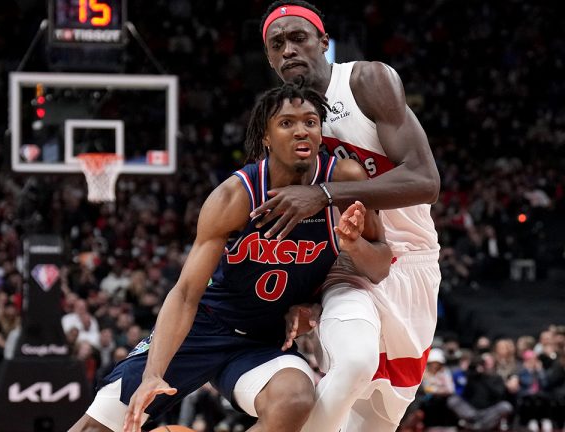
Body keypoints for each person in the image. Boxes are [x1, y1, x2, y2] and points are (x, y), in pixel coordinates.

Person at [69, 80, 392, 432]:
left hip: (263, 341)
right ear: (265, 137)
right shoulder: (237, 195)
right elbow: (186, 293)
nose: (301, 131)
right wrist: (153, 375)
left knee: (296, 401)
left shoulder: (343, 180)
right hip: (204, 328)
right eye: (287, 123)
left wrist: (353, 245)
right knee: (95, 427)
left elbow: (379, 266)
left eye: (310, 122)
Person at [257, 2, 441, 430]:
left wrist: (324, 194)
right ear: (268, 57)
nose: (287, 51)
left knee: (374, 421)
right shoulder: (281, 122)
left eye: (298, 38)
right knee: (355, 362)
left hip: (412, 263)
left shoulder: (365, 81)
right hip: (348, 264)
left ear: (324, 42)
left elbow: (426, 181)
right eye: (276, 44)